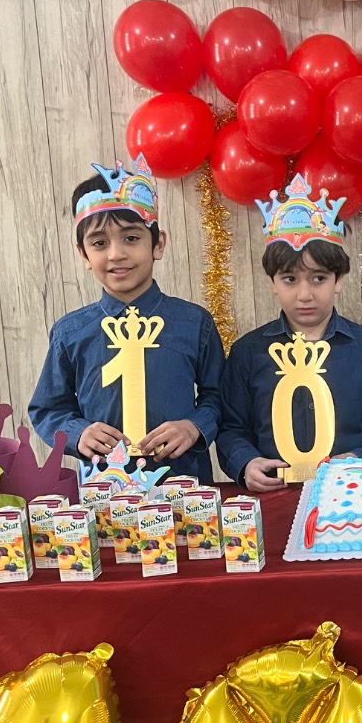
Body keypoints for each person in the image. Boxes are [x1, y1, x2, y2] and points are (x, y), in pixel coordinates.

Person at [29, 154, 224, 482]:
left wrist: (194, 426)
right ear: (84, 255)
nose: (116, 254)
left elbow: (219, 397)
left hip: (185, 489)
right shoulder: (70, 333)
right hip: (103, 493)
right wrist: (79, 433)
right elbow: (48, 409)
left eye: (131, 238)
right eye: (99, 243)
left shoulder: (195, 324)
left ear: (157, 244)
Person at [217, 175, 362, 491]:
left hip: (353, 492)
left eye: (318, 278)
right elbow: (231, 428)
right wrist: (246, 462)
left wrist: (360, 458)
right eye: (290, 279)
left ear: (339, 280)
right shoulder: (247, 353)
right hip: (274, 494)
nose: (305, 294)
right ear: (272, 282)